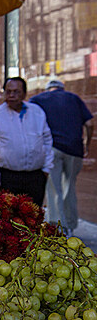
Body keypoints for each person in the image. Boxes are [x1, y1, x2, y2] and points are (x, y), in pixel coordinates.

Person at [30, 79, 94, 235]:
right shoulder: (74, 98)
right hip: (75, 149)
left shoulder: (39, 99)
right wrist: (87, 143)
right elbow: (90, 124)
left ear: (48, 89)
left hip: (53, 148)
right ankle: (70, 225)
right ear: (62, 88)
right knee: (69, 187)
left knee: (54, 188)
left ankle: (59, 226)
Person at [0, 77, 53, 206]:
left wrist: (46, 169)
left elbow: (47, 140)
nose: (11, 95)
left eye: (16, 92)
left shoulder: (37, 112)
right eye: (8, 92)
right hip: (8, 177)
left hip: (35, 177)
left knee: (34, 218)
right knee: (8, 219)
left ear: (24, 94)